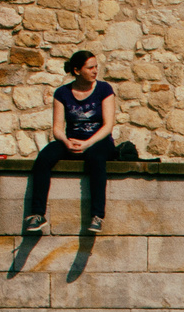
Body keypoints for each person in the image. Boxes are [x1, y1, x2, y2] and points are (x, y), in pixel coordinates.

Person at [24, 51, 118, 235]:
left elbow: (108, 126)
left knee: (96, 158)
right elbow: (57, 128)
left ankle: (97, 216)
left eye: (95, 67)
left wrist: (87, 143)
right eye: (90, 68)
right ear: (77, 70)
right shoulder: (62, 93)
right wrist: (66, 142)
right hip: (72, 140)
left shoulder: (104, 89)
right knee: (44, 158)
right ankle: (37, 214)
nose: (95, 71)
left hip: (98, 141)